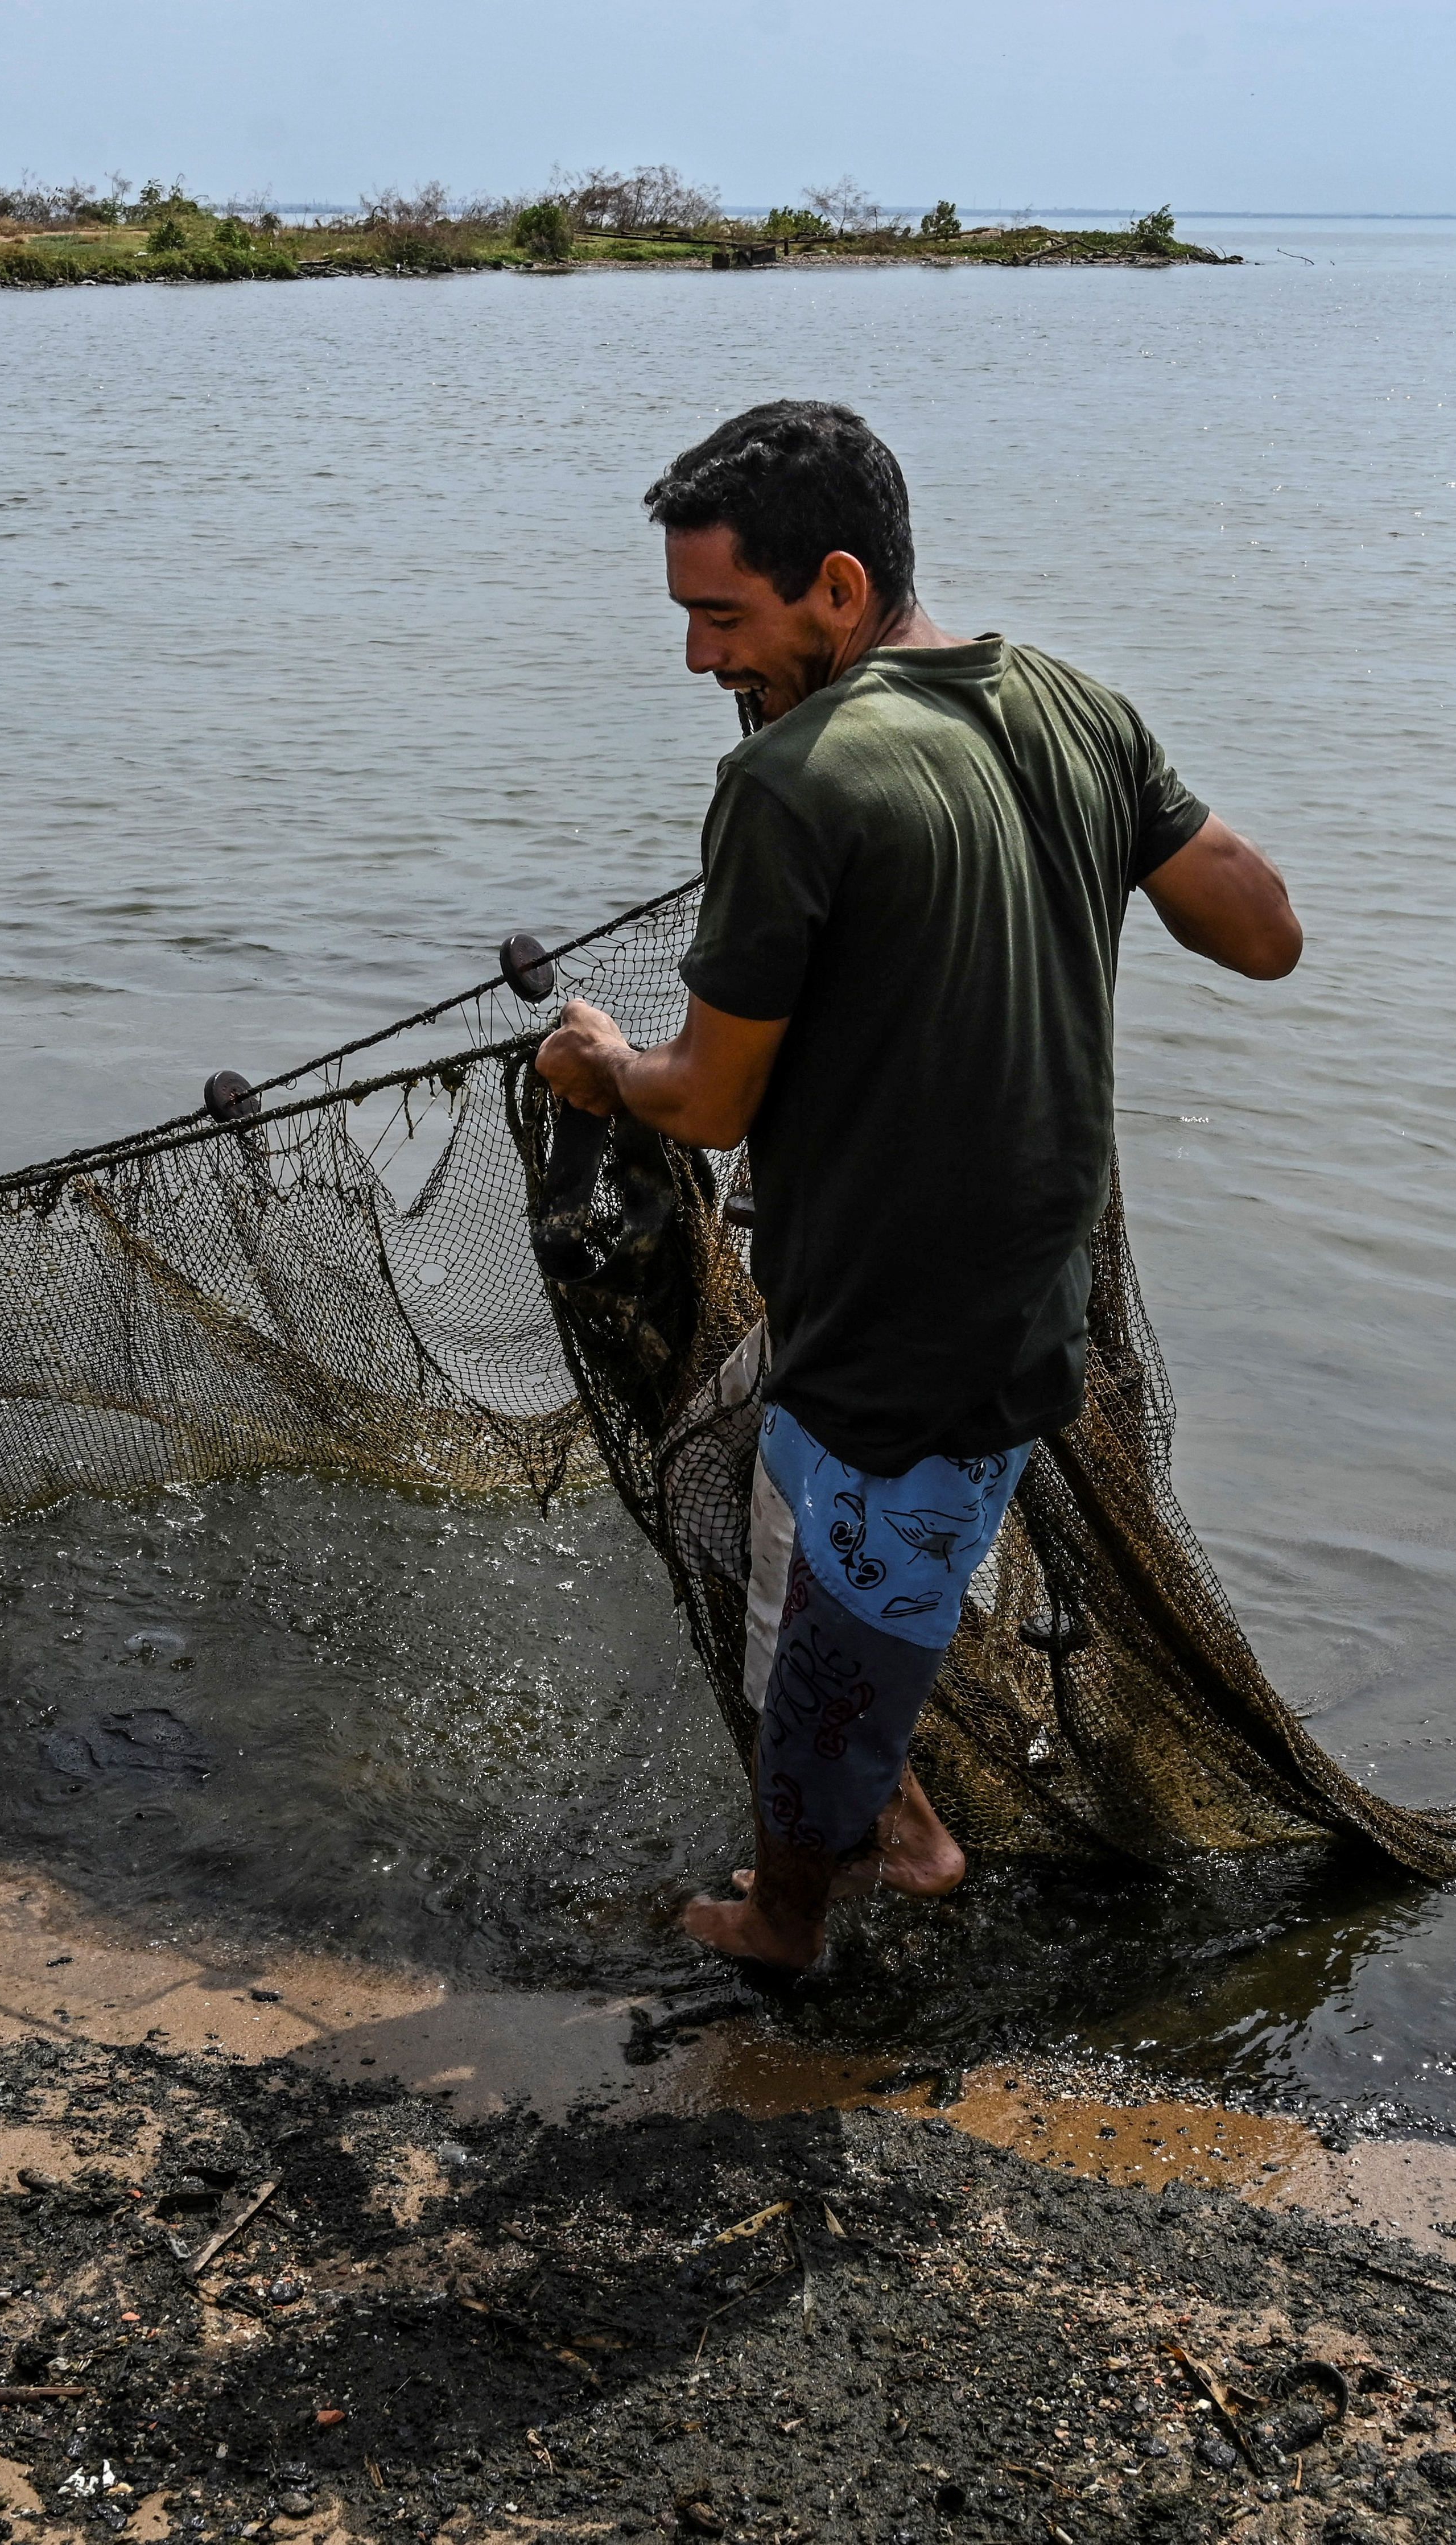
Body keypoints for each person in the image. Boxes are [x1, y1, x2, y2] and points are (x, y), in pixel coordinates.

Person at [533, 400, 1305, 1972]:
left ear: (833, 583)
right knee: (770, 1524)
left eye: (718, 617)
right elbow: (1262, 930)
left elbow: (709, 1099)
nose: (697, 661)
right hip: (1005, 1303)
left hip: (916, 1344)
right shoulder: (1073, 706)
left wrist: (599, 1066)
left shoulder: (788, 784)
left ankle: (791, 1917)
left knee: (829, 1662)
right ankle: (894, 1815)